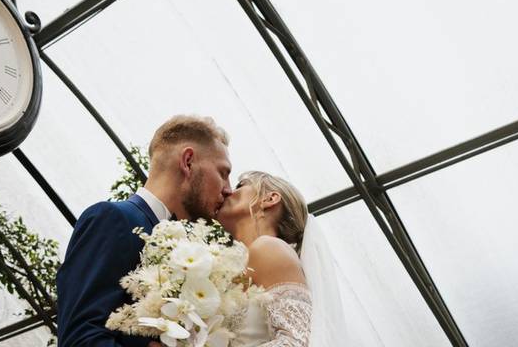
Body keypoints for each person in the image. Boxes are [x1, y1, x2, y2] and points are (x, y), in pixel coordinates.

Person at [56, 115, 234, 346]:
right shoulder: (114, 218)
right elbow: (78, 338)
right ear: (188, 161)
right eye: (223, 172)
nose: (229, 189)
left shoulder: (189, 253)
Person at [216, 171, 346, 347]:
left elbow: (296, 341)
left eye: (241, 186)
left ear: (270, 199)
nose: (229, 191)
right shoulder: (233, 264)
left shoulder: (270, 248)